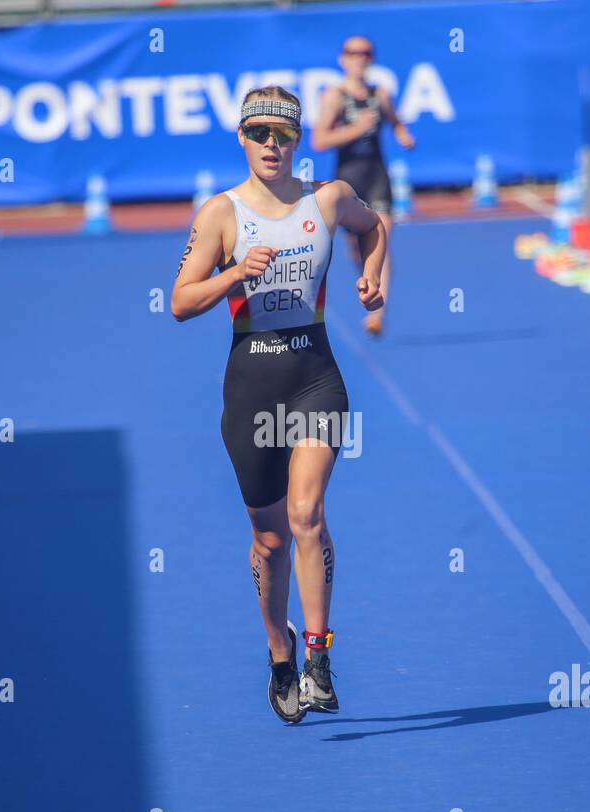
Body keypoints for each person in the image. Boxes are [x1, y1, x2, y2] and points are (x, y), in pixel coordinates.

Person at [171, 86, 387, 724]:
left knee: (306, 516)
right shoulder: (222, 214)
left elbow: (376, 226)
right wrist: (234, 274)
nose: (272, 145)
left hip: (315, 375)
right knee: (268, 541)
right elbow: (179, 301)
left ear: (299, 142)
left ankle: (320, 654)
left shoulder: (328, 199)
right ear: (241, 137)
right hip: (252, 382)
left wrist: (377, 277)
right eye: (260, 133)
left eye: (283, 135)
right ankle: (279, 649)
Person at [311, 35, 415, 336]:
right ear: (343, 59)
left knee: (381, 239)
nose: (360, 58)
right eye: (353, 53)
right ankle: (369, 282)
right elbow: (319, 140)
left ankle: (377, 312)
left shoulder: (379, 94)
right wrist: (355, 129)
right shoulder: (334, 95)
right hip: (350, 179)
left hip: (378, 175)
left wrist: (403, 134)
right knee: (358, 250)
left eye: (366, 53)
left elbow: (395, 121)